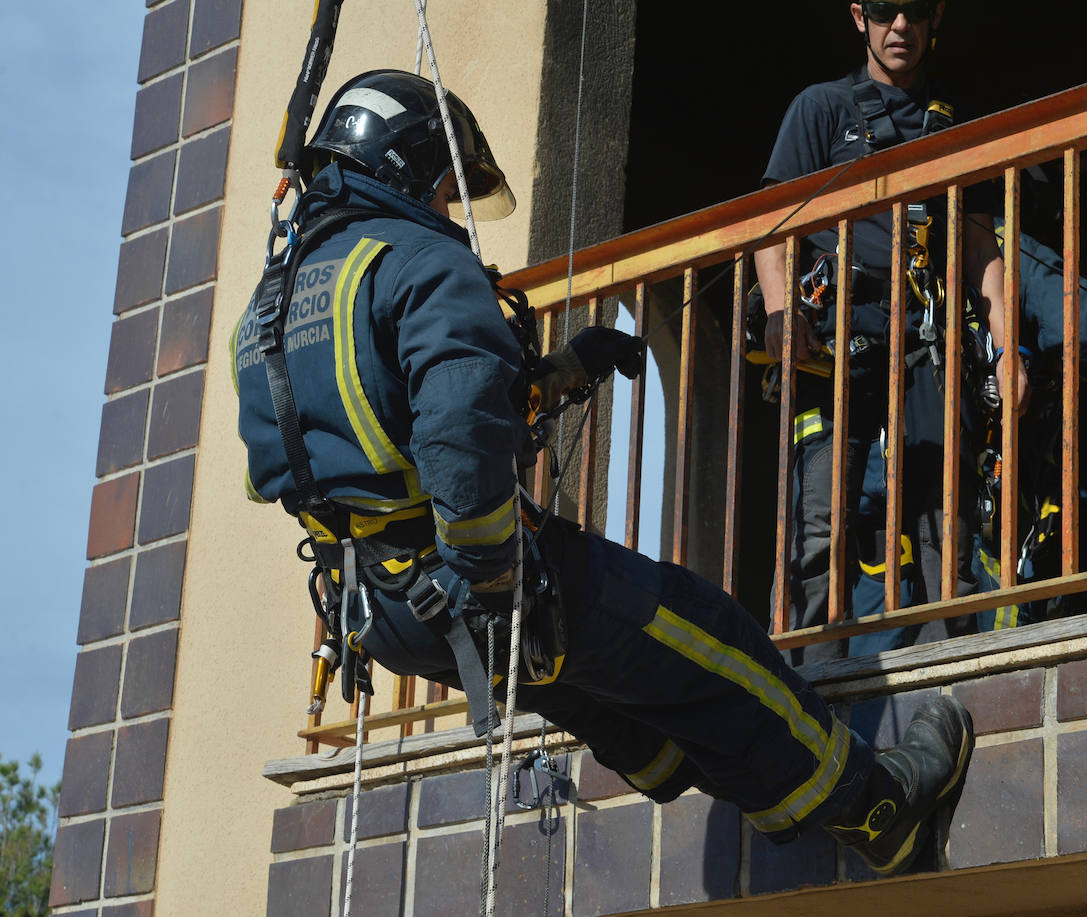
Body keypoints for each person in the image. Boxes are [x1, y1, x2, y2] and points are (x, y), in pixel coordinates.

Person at [233, 69, 974, 876]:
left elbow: (364, 439)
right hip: (475, 583)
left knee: (591, 682)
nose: (450, 213)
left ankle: (706, 771)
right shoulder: (417, 262)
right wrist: (501, 579)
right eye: (449, 191)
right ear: (410, 167)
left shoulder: (271, 309)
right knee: (706, 633)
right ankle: (881, 810)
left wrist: (559, 373)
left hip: (380, 611)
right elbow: (453, 430)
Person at [754, 0, 1028, 662]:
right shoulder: (821, 111)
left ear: (936, 19)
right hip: (835, 344)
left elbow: (976, 244)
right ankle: (804, 677)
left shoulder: (952, 124)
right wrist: (781, 312)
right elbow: (770, 223)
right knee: (819, 519)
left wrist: (1004, 343)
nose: (898, 26)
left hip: (925, 347)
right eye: (884, 10)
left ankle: (958, 670)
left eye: (913, 11)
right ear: (858, 17)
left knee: (946, 514)